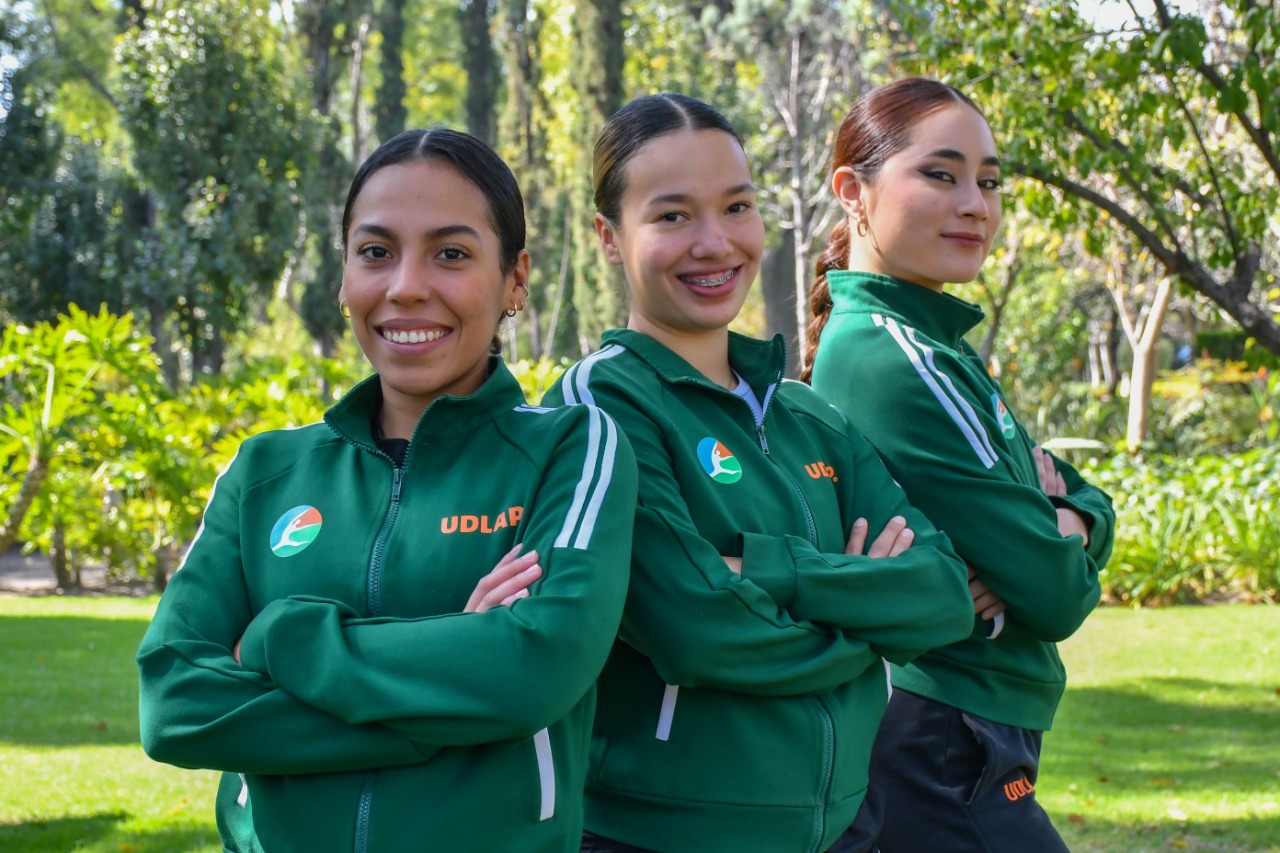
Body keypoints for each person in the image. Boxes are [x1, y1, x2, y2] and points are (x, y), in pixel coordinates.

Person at [137, 128, 638, 852]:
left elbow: (534, 668)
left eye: (451, 254)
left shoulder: (570, 449)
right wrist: (453, 695)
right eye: (375, 252)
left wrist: (280, 636)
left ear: (515, 279)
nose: (405, 286)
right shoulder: (265, 473)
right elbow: (174, 705)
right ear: (344, 275)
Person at [541, 92, 976, 853]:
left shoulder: (807, 414)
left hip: (845, 829)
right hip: (663, 837)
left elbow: (942, 596)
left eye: (736, 207)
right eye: (673, 215)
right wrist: (869, 620)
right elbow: (698, 629)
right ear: (610, 237)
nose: (715, 243)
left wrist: (770, 573)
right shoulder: (601, 407)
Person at [803, 77, 1116, 852]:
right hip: (944, 735)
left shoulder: (934, 345)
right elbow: (1056, 592)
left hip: (960, 726)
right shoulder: (893, 355)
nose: (975, 204)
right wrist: (1054, 536)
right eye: (940, 174)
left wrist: (1071, 517)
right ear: (853, 192)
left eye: (989, 181)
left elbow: (1069, 499)